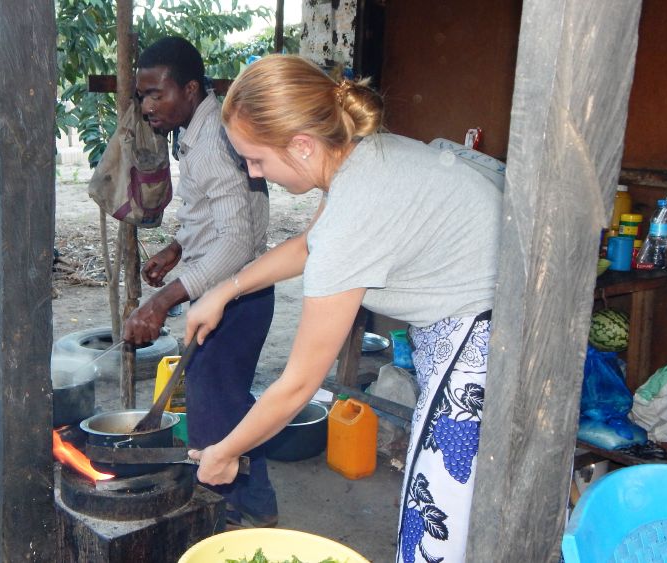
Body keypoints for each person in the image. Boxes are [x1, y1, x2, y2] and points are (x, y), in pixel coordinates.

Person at [185, 55, 501, 562]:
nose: (251, 171)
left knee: (437, 521)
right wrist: (226, 289)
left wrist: (226, 451)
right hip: (479, 320)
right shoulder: (359, 157)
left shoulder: (355, 210)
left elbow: (298, 384)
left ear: (302, 146)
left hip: (483, 340)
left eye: (257, 159)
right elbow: (312, 244)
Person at [122, 36, 277, 528]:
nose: (148, 107)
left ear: (190, 89)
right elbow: (213, 217)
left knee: (216, 404)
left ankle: (226, 511)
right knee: (224, 398)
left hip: (239, 296)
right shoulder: (200, 128)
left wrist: (163, 301)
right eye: (142, 96)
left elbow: (236, 242)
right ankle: (254, 499)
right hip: (233, 289)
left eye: (156, 94)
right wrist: (174, 250)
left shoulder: (212, 142)